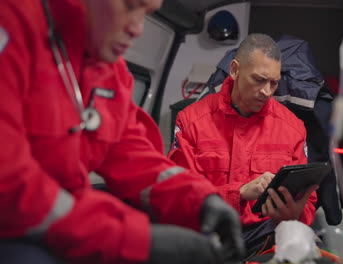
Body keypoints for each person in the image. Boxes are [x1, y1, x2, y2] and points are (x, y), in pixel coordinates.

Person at [0, 0, 245, 263]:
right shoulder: (13, 22)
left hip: (63, 225)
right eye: (129, 6)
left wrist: (200, 201)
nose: (138, 28)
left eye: (147, 13)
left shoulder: (109, 70)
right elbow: (8, 181)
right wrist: (135, 240)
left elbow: (133, 155)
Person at [168, 33, 318, 258]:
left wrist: (293, 214)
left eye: (274, 83)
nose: (267, 92)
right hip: (206, 236)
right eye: (259, 80)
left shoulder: (293, 128)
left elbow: (307, 205)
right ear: (235, 70)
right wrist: (238, 193)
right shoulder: (191, 121)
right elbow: (179, 198)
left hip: (266, 242)